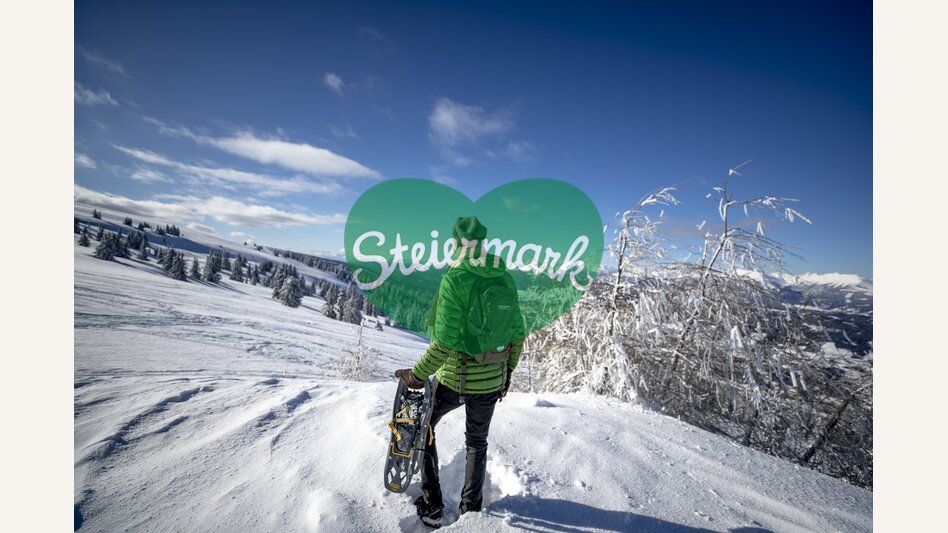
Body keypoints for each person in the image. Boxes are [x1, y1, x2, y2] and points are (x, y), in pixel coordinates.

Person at [394, 216, 525, 528]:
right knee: (477, 443)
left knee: (423, 430)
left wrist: (416, 375)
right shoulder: (504, 277)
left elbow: (444, 343)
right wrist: (507, 372)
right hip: (492, 379)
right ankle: (471, 511)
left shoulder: (455, 277)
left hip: (453, 379)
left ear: (455, 244)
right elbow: (518, 333)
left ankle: (432, 504)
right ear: (484, 242)